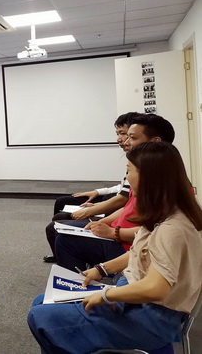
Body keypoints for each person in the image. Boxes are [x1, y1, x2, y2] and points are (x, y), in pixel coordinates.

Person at [28, 141, 202, 353]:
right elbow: (140, 253)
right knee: (42, 301)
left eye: (129, 171)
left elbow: (156, 288)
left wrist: (106, 295)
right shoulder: (169, 211)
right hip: (138, 299)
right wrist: (102, 269)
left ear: (148, 176)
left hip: (151, 317)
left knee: (40, 316)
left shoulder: (172, 228)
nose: (127, 178)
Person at [54, 113, 176, 274]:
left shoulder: (163, 183)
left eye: (131, 137)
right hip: (123, 238)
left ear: (155, 142)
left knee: (65, 239)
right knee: (62, 230)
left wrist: (113, 233)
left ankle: (79, 284)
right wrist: (104, 223)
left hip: (128, 246)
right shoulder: (148, 175)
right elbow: (128, 208)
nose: (125, 141)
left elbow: (154, 234)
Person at [43, 112, 139, 262]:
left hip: (121, 234)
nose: (122, 140)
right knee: (62, 203)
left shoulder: (149, 172)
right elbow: (123, 190)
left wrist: (94, 214)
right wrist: (97, 193)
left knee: (58, 226)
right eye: (119, 134)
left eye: (127, 135)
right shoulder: (136, 164)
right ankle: (61, 255)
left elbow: (123, 201)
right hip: (116, 216)